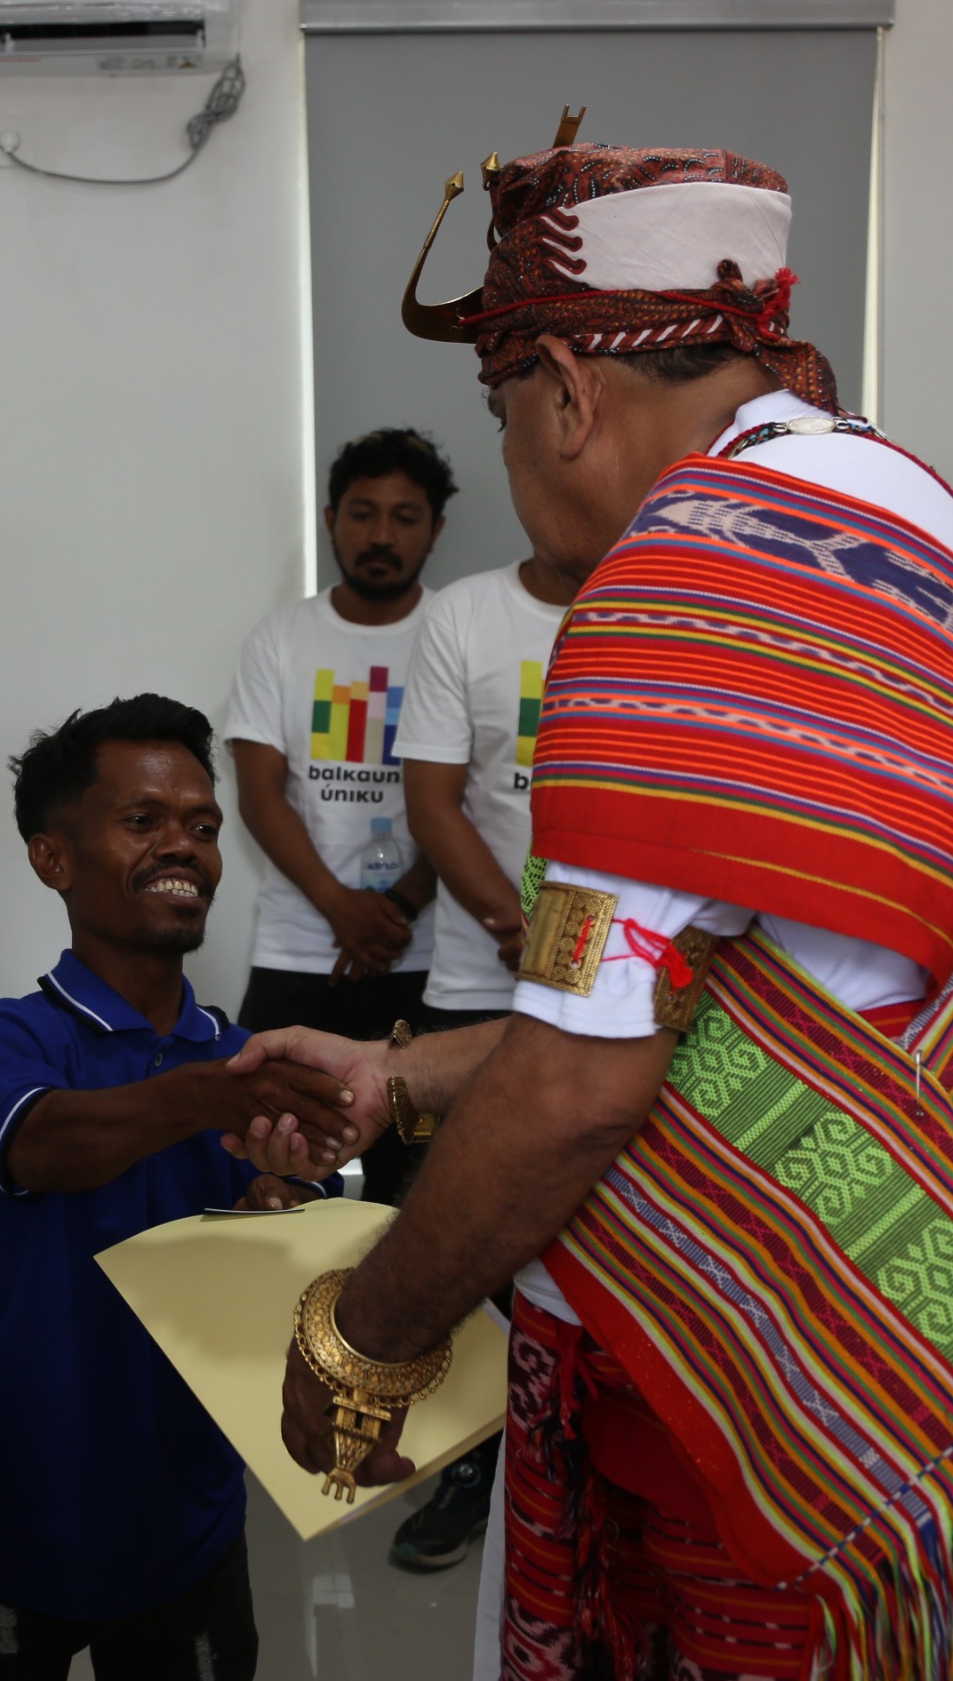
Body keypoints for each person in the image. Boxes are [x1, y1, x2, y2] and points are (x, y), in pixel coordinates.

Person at [254, 143, 953, 1678]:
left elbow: (584, 1076)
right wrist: (403, 1073)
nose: (514, 461)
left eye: (502, 413)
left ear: (568, 388)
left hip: (810, 1436)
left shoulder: (687, 575)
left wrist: (366, 1336)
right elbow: (716, 979)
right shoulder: (911, 509)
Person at [0, 695, 352, 1680]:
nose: (183, 846)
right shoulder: (4, 1039)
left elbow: (303, 1250)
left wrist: (281, 1215)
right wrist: (208, 1095)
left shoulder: (248, 1059)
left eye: (202, 825)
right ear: (53, 859)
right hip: (10, 1517)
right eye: (142, 819)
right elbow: (48, 1145)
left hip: (186, 1524)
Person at [374, 436, 603, 1573]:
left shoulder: (659, 604)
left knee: (592, 1229)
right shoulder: (464, 614)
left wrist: (575, 952)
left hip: (619, 997)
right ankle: (472, 1457)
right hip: (478, 976)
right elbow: (433, 800)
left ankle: (575, 1449)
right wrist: (519, 925)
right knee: (469, 1222)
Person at [222, 427, 449, 1203]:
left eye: (405, 516)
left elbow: (475, 800)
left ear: (435, 529)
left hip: (424, 963)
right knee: (264, 1166)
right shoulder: (281, 639)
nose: (381, 535)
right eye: (362, 513)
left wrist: (396, 910)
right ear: (329, 520)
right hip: (298, 953)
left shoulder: (456, 635)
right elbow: (259, 793)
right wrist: (340, 907)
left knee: (415, 1188)